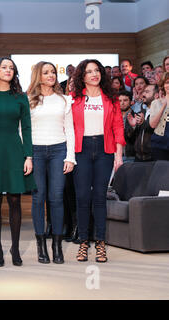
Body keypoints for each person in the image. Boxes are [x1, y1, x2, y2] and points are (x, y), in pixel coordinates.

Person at [0, 57, 35, 267]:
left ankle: (16, 248)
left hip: (14, 149)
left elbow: (27, 128)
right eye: (4, 67)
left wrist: (28, 156)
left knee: (14, 200)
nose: (8, 70)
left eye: (11, 68)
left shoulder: (21, 98)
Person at [71, 59, 125, 263]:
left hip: (105, 150)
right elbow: (69, 127)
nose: (94, 74)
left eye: (97, 70)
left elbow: (118, 126)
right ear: (82, 76)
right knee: (83, 197)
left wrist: (118, 154)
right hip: (81, 150)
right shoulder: (74, 98)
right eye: (89, 71)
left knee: (100, 198)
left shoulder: (111, 98)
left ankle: (101, 243)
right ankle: (84, 242)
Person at [27, 61, 75, 264]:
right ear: (38, 75)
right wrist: (27, 156)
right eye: (46, 72)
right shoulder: (28, 100)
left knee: (56, 198)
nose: (51, 75)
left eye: (53, 72)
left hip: (58, 150)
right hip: (36, 151)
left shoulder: (64, 100)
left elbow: (70, 129)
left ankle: (57, 246)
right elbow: (24, 131)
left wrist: (70, 157)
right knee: (38, 198)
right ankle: (41, 247)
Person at [125, 85, 158, 162]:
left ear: (156, 95)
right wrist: (133, 127)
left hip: (154, 158)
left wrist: (144, 123)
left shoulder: (160, 112)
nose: (143, 94)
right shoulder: (138, 112)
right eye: (144, 92)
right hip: (138, 158)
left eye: (147, 92)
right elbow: (129, 137)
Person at [149, 72, 169, 160]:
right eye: (167, 82)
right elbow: (152, 125)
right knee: (161, 172)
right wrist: (164, 105)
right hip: (159, 144)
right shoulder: (155, 103)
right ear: (163, 85)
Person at [118, 90, 135, 162]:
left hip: (129, 155)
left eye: (125, 100)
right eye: (119, 101)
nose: (122, 103)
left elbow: (134, 136)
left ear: (131, 102)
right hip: (114, 155)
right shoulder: (112, 116)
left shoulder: (136, 117)